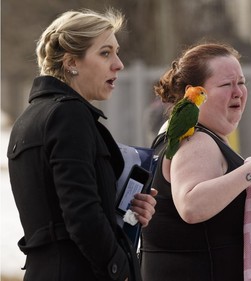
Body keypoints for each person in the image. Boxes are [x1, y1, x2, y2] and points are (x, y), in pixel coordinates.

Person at [140, 43, 251, 281]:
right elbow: (191, 206)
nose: (238, 92)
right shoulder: (197, 142)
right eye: (226, 85)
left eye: (241, 83)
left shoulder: (176, 134)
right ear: (195, 92)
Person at [7, 8, 157, 281]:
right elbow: (81, 215)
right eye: (105, 52)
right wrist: (119, 269)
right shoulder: (69, 115)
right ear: (71, 62)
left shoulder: (29, 118)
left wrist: (127, 209)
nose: (119, 64)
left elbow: (62, 208)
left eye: (117, 51)